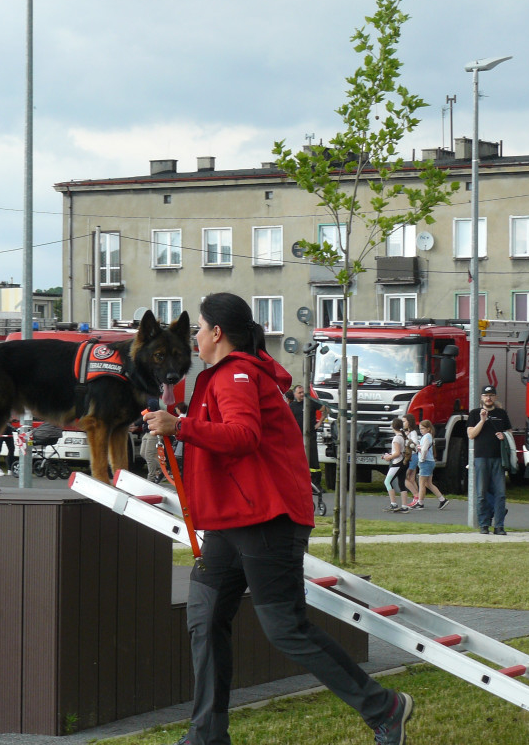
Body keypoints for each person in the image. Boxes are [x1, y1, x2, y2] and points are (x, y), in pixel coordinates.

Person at [143, 293, 412, 745]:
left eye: (198, 329)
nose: (194, 339)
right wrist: (178, 432)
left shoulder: (238, 374)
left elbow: (243, 436)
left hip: (267, 518)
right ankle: (206, 735)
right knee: (204, 619)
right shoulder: (224, 376)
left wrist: (180, 427)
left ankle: (384, 707)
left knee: (285, 627)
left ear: (216, 333)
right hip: (233, 521)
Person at [467, 384, 512, 535]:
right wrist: (482, 420)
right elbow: (471, 434)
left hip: (498, 459)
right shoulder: (474, 414)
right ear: (481, 398)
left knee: (500, 493)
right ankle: (484, 524)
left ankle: (499, 526)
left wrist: (503, 436)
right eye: (486, 395)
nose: (489, 398)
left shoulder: (502, 414)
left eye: (491, 395)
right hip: (481, 458)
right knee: (481, 493)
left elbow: (509, 434)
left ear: (495, 397)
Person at [289, 384, 324, 490]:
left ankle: (316, 485)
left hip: (310, 435)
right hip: (297, 437)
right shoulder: (292, 406)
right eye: (299, 393)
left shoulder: (310, 403)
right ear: (294, 394)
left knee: (313, 460)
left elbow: (325, 409)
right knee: (298, 459)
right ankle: (300, 483)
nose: (302, 394)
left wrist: (319, 423)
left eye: (303, 392)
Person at [414, 419, 448, 510]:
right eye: (420, 428)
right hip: (430, 462)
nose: (421, 430)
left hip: (425, 462)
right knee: (428, 483)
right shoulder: (428, 436)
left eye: (422, 428)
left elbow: (424, 449)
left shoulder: (426, 436)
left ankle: (420, 503)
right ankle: (442, 499)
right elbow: (425, 448)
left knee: (421, 483)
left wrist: (422, 458)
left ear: (428, 429)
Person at [381, 418, 410, 513]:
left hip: (397, 462)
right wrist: (390, 455)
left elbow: (397, 453)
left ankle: (393, 504)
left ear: (393, 427)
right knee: (401, 483)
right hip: (404, 462)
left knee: (387, 482)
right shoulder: (403, 436)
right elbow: (400, 452)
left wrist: (388, 457)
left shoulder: (396, 438)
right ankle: (404, 506)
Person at [403, 413, 421, 507]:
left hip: (411, 457)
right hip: (412, 456)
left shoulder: (412, 433)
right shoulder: (407, 432)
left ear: (409, 422)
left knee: (405, 478)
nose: (403, 423)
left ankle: (416, 495)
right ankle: (417, 499)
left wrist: (407, 442)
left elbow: (414, 443)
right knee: (412, 479)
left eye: (404, 421)